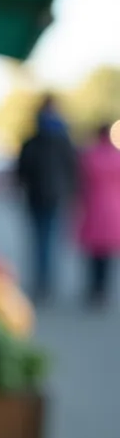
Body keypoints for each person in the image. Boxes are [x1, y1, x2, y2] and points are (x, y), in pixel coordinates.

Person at [14, 97, 78, 302]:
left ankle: (43, 282)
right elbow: (72, 169)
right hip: (55, 196)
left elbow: (21, 171)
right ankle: (46, 282)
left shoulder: (33, 140)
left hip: (38, 196)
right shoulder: (64, 139)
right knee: (48, 239)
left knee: (40, 240)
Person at [76, 122, 120, 307]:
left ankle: (93, 288)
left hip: (93, 206)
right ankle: (103, 290)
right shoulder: (116, 158)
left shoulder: (88, 156)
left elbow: (80, 182)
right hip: (113, 208)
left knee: (94, 253)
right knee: (107, 255)